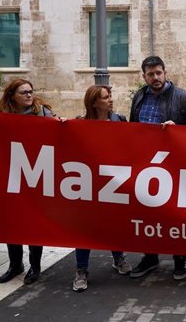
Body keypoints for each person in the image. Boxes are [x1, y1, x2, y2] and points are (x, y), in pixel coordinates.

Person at [129, 56, 186, 280]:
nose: (155, 77)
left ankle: (180, 260)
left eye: (159, 73)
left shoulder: (183, 97)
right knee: (148, 212)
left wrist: (177, 129)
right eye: (150, 74)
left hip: (174, 164)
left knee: (176, 213)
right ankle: (150, 257)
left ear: (165, 72)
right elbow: (132, 127)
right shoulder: (139, 96)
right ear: (144, 76)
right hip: (146, 164)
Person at [0, 79, 56, 284]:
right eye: (23, 92)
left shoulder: (43, 113)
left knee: (34, 221)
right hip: (11, 174)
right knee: (11, 219)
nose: (28, 95)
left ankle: (35, 266)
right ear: (12, 95)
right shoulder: (2, 116)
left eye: (30, 91)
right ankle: (15, 264)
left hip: (37, 172)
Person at [72, 85, 132, 292]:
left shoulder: (120, 120)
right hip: (88, 183)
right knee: (85, 228)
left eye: (110, 96)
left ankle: (118, 258)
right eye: (105, 97)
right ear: (94, 102)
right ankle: (81, 270)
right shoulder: (80, 124)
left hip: (113, 182)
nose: (110, 100)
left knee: (113, 223)